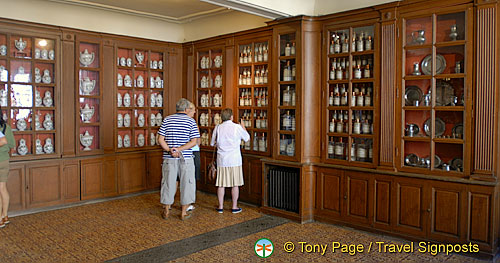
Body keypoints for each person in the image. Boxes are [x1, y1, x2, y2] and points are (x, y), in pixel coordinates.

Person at [158, 98, 199, 220]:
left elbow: (160, 139)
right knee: (187, 183)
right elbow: (194, 142)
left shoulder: (167, 119)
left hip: (169, 158)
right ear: (186, 109)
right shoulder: (191, 122)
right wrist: (179, 149)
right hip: (186, 158)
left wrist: (170, 150)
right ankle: (183, 212)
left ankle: (166, 210)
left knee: (168, 183)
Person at [210, 108, 249, 214]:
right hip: (234, 160)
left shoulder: (218, 127)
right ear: (231, 117)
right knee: (235, 184)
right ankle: (234, 206)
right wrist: (243, 127)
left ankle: (220, 207)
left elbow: (212, 143)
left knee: (221, 184)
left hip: (222, 160)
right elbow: (247, 138)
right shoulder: (237, 127)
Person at [0, 112, 15, 228]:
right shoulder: (6, 127)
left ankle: (1, 218)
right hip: (4, 160)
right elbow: (11, 145)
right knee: (2, 189)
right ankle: (4, 215)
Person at [186, 102, 200, 212]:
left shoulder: (174, 120)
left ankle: (169, 203)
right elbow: (197, 140)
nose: (195, 112)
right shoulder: (191, 122)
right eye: (193, 110)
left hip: (179, 152)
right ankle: (188, 203)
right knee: (191, 178)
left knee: (177, 178)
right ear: (188, 110)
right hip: (192, 152)